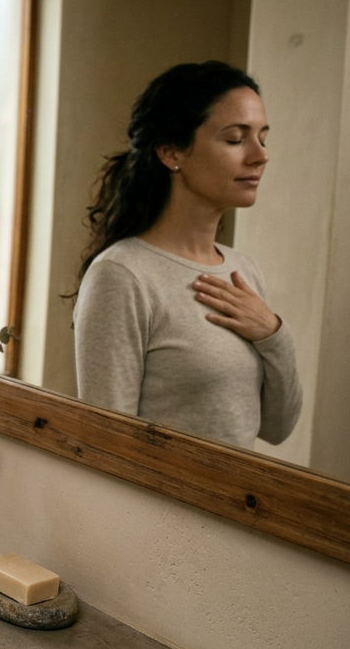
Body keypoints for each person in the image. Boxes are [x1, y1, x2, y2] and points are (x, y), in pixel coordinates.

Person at [74, 61, 302, 449]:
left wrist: (274, 334)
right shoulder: (122, 275)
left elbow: (277, 428)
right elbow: (106, 448)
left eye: (263, 138)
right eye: (235, 139)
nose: (259, 156)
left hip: (233, 508)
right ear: (171, 152)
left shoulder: (243, 271)